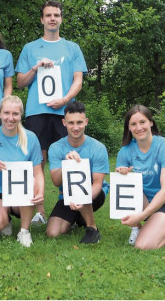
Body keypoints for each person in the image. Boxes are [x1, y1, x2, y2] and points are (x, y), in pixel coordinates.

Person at [16, 0, 87, 226]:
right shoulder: (30, 48)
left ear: (61, 19)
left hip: (63, 113)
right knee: (38, 160)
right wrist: (36, 68)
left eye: (56, 15)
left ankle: (69, 205)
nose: (53, 19)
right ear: (42, 19)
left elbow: (78, 80)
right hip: (37, 111)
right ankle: (39, 211)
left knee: (67, 159)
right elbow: (20, 82)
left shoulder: (72, 48)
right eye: (48, 15)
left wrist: (65, 100)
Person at [0, 95, 45, 247]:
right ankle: (5, 220)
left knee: (32, 182)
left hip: (20, 192)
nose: (10, 118)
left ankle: (24, 231)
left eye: (15, 114)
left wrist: (40, 192)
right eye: (6, 113)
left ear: (21, 115)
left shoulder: (31, 138)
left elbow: (38, 173)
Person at [116, 104, 165, 250]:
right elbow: (121, 189)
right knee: (128, 188)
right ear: (128, 127)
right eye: (133, 124)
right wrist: (122, 175)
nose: (138, 127)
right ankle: (140, 228)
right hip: (146, 202)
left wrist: (140, 216)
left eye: (142, 122)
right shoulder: (125, 151)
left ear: (151, 123)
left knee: (143, 245)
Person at [45, 101, 109, 244]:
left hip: (95, 193)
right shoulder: (55, 148)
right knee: (53, 233)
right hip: (66, 196)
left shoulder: (98, 148)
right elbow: (56, 182)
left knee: (81, 192)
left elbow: (98, 183)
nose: (75, 127)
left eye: (79, 122)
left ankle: (92, 229)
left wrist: (83, 199)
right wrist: (68, 165)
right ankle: (76, 218)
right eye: (71, 123)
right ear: (64, 122)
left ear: (86, 122)